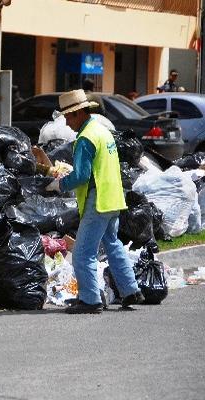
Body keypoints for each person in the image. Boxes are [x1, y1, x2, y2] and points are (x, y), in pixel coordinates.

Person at [45, 89, 144, 314]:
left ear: (80, 113)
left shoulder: (85, 138)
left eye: (69, 117)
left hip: (97, 200)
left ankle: (90, 300)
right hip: (113, 198)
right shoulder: (103, 131)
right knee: (113, 244)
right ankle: (131, 291)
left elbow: (81, 176)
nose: (67, 123)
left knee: (82, 252)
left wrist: (59, 184)